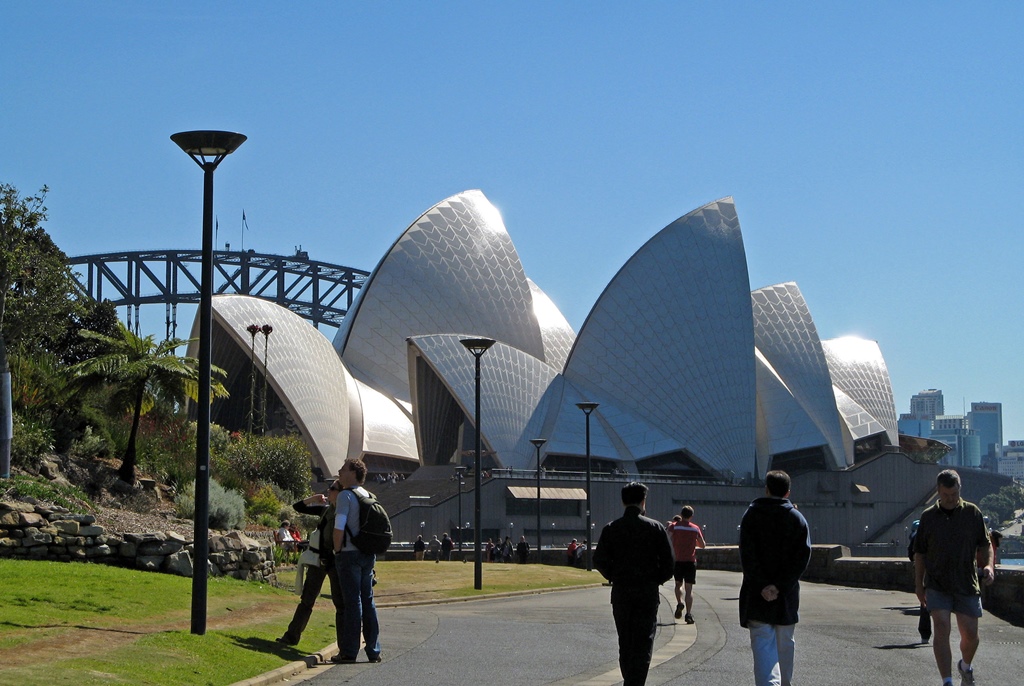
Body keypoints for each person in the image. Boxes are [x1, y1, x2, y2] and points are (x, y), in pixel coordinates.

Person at [914, 469, 994, 686]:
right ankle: (947, 681)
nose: (950, 499)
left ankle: (965, 666)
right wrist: (919, 585)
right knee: (941, 627)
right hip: (937, 584)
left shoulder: (973, 513)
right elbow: (919, 553)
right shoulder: (928, 517)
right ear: (938, 492)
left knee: (971, 635)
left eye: (954, 494)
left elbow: (985, 544)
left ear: (960, 489)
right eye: (945, 495)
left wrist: (988, 565)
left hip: (966, 583)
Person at [593, 482, 674, 686]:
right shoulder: (655, 528)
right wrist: (655, 579)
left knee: (625, 640)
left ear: (623, 501)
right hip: (646, 592)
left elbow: (599, 560)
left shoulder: (611, 528)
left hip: (622, 592)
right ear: (643, 501)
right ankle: (635, 682)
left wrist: (614, 575)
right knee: (643, 641)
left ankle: (630, 678)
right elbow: (668, 563)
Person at [738, 470, 811, 686]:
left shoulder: (751, 515)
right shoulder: (797, 518)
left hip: (756, 595)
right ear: (788, 492)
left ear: (767, 490)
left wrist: (763, 585)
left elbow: (747, 556)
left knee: (763, 647)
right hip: (786, 596)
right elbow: (802, 559)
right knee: (785, 645)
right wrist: (779, 586)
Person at [277, 482, 345, 647]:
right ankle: (291, 636)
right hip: (318, 561)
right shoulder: (325, 510)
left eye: (333, 489)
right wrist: (313, 499)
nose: (329, 491)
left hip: (335, 562)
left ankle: (344, 644)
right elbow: (298, 507)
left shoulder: (344, 512)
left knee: (340, 604)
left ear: (340, 493)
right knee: (307, 600)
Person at [333, 458, 382, 663]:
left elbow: (339, 527)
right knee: (368, 601)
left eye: (343, 469)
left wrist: (337, 550)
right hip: (367, 554)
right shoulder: (369, 495)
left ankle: (349, 651)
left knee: (352, 603)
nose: (339, 471)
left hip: (349, 554)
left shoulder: (346, 495)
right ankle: (373, 650)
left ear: (353, 473)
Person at [667, 505, 706, 624]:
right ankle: (688, 614)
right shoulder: (695, 528)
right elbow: (702, 545)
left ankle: (679, 603)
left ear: (681, 514)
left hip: (678, 560)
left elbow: (667, 538)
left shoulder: (674, 527)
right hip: (690, 561)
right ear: (691, 516)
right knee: (689, 588)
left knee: (678, 584)